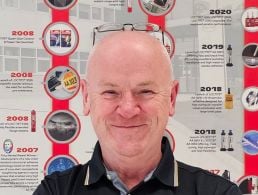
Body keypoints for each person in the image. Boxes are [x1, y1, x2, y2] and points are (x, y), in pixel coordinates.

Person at [33, 30, 241, 195]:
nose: (128, 110)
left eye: (145, 91)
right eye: (110, 92)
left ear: (171, 98)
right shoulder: (54, 191)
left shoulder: (218, 192)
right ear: (87, 98)